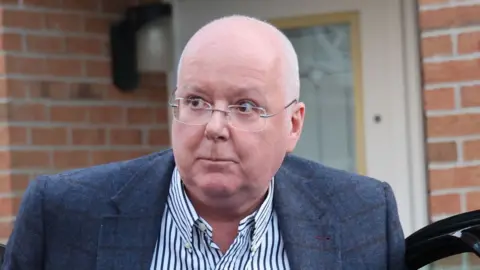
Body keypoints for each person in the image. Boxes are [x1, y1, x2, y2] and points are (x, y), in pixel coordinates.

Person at [1, 15, 406, 270]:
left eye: (245, 106)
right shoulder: (64, 213)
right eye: (196, 102)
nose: (215, 127)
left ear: (293, 125)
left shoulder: (362, 216)